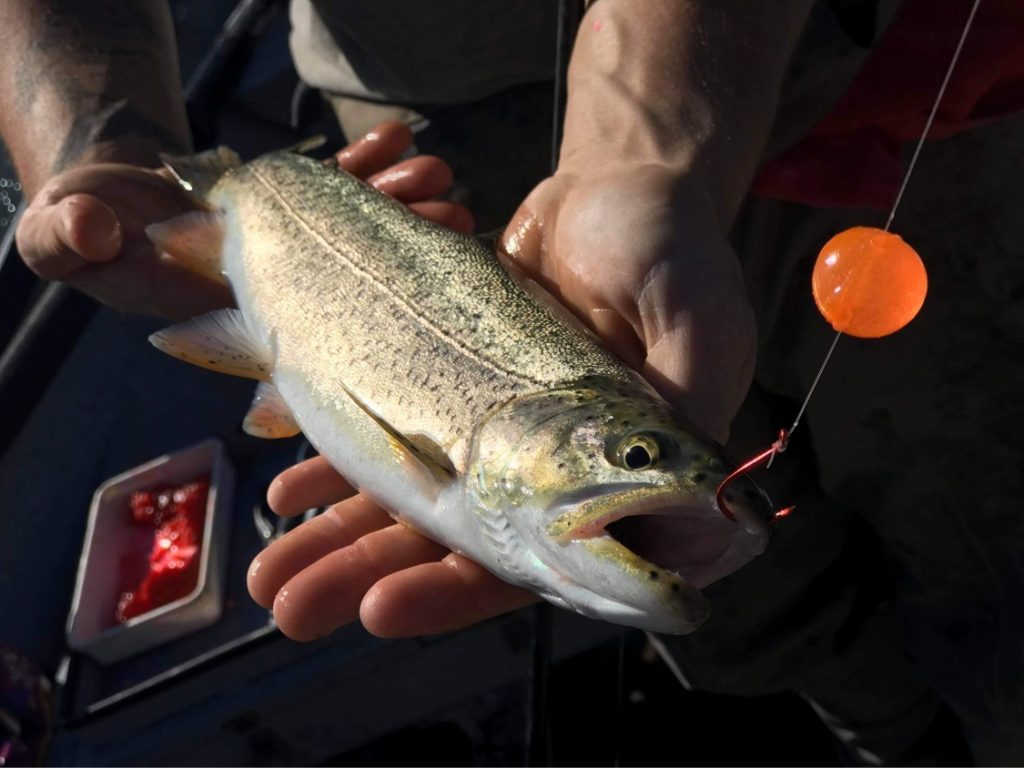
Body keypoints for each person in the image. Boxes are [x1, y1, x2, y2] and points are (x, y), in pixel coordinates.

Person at [2, 1, 1023, 763]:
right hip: (422, 114)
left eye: (635, 456)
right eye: (633, 452)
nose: (645, 461)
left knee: (985, 515)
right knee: (761, 620)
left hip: (827, 69)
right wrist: (105, 149)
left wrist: (639, 152)